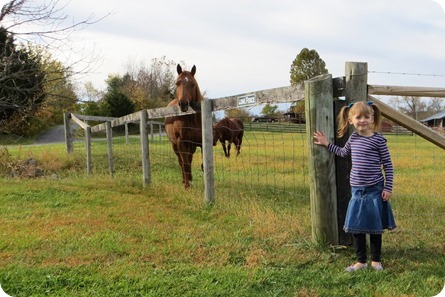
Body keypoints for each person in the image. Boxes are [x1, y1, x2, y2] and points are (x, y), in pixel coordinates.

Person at [313, 101, 396, 272]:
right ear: (351, 120)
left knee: (374, 228)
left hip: (375, 190)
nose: (363, 120)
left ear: (372, 119)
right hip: (357, 191)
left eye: (367, 117)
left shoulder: (379, 140)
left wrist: (388, 188)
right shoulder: (354, 138)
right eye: (359, 117)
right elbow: (343, 153)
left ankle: (376, 261)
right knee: (357, 227)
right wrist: (326, 143)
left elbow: (388, 164)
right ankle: (361, 261)